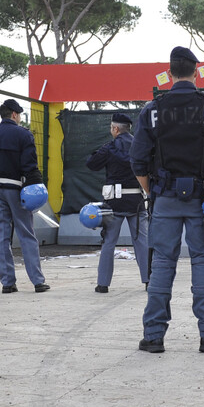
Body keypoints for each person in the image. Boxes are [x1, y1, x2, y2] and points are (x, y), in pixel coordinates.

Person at [131, 46, 204, 354]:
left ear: (171, 72)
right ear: (194, 71)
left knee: (162, 263)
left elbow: (138, 161)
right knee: (203, 261)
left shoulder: (152, 108)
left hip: (164, 196)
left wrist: (155, 192)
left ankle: (153, 337)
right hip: (202, 201)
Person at [0, 98, 50, 294]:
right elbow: (30, 166)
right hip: (17, 191)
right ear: (14, 114)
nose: (20, 118)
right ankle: (37, 281)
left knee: (1, 236)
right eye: (20, 114)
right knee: (26, 234)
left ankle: (7, 283)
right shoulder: (23, 135)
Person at [85, 112, 150, 292]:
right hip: (137, 201)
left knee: (109, 242)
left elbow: (92, 164)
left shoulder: (110, 147)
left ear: (115, 129)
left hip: (114, 203)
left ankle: (103, 284)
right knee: (142, 241)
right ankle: (149, 280)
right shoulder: (140, 146)